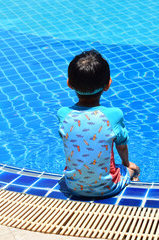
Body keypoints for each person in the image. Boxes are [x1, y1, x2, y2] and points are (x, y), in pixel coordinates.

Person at [57, 49, 140, 198]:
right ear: (108, 84)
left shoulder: (63, 114)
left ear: (69, 84)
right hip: (108, 187)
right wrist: (126, 164)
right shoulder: (113, 115)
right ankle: (135, 188)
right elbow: (122, 146)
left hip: (72, 185)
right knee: (135, 168)